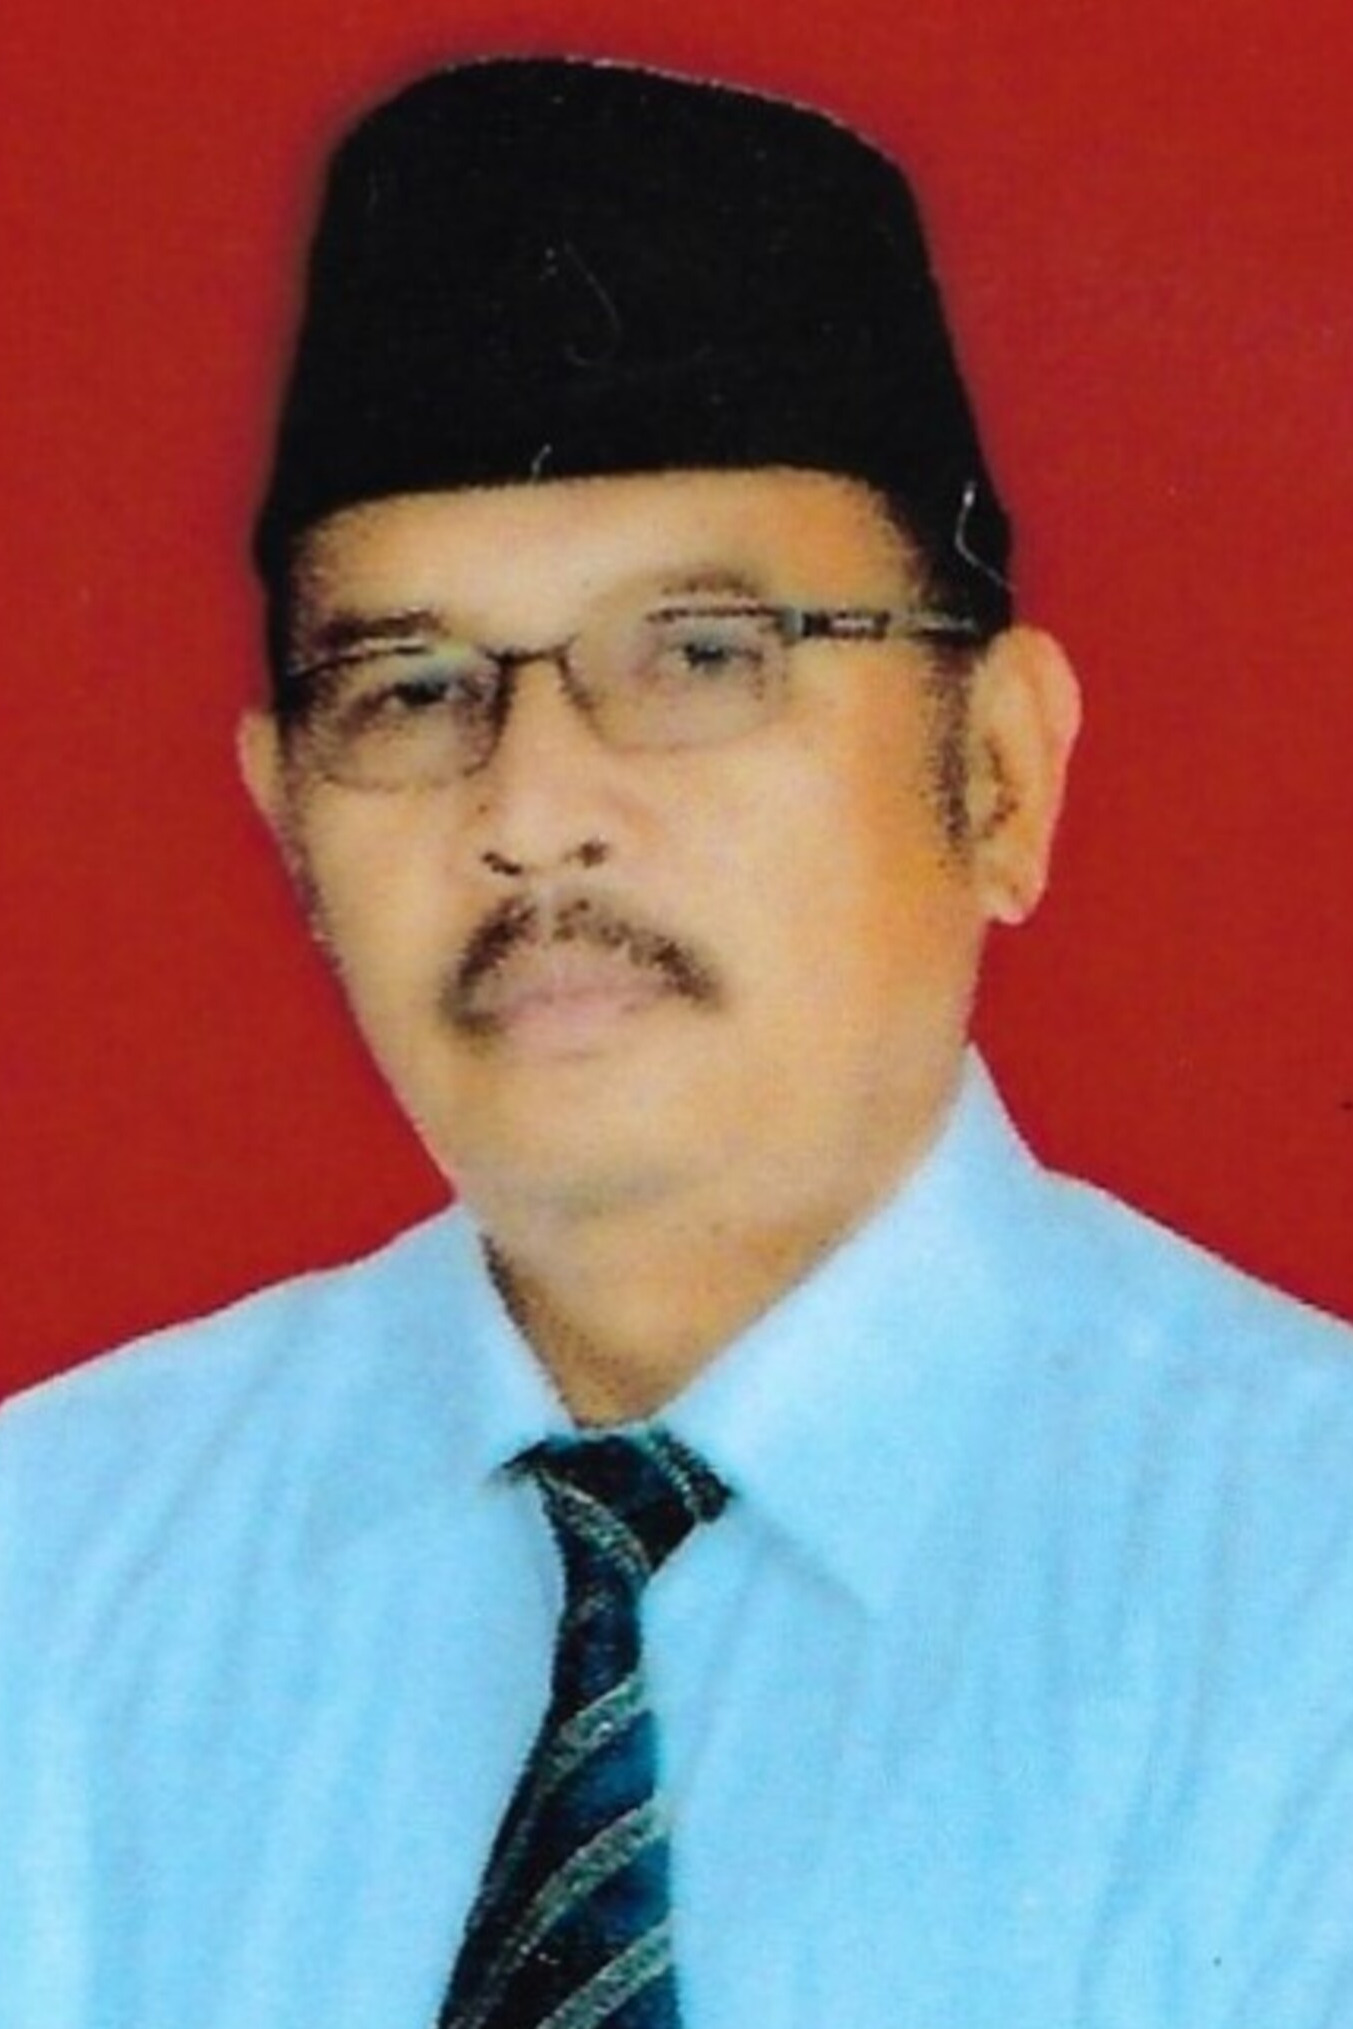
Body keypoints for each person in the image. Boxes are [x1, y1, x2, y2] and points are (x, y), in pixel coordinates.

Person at [1, 54, 1350, 2029]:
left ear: (997, 773)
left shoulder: (1305, 1580)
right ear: (287, 825)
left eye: (704, 656)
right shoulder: (50, 1575)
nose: (532, 806)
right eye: (407, 689)